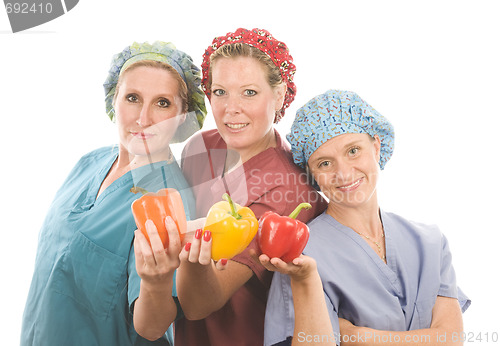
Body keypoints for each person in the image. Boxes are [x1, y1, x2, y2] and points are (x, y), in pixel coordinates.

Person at [20, 41, 206, 346]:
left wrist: (156, 282)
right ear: (113, 100)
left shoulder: (168, 201)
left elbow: (154, 326)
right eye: (133, 98)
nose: (144, 119)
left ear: (183, 114)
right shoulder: (89, 162)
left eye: (163, 103)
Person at [262, 89, 471, 346]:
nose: (344, 172)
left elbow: (451, 339)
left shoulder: (430, 243)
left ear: (376, 146)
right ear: (312, 176)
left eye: (353, 151)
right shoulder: (301, 256)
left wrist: (356, 337)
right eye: (325, 163)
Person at [176, 28, 328, 345]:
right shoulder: (200, 148)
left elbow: (202, 302)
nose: (232, 109)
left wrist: (179, 249)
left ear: (279, 94)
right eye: (220, 92)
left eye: (249, 92)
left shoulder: (288, 189)